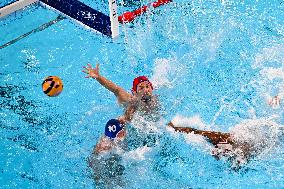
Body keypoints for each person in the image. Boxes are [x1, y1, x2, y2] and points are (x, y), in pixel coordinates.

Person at [82, 63, 159, 119]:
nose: (145, 90)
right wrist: (98, 77)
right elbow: (115, 89)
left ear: (152, 88)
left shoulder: (156, 99)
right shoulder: (129, 100)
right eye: (141, 88)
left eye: (147, 86)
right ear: (134, 92)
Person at [167, 121, 252, 168]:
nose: (216, 153)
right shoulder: (217, 138)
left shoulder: (242, 154)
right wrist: (174, 128)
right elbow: (194, 131)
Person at [88, 118, 127, 188]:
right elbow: (93, 162)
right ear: (119, 134)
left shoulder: (106, 137)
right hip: (103, 165)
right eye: (122, 132)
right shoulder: (108, 146)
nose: (124, 132)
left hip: (99, 163)